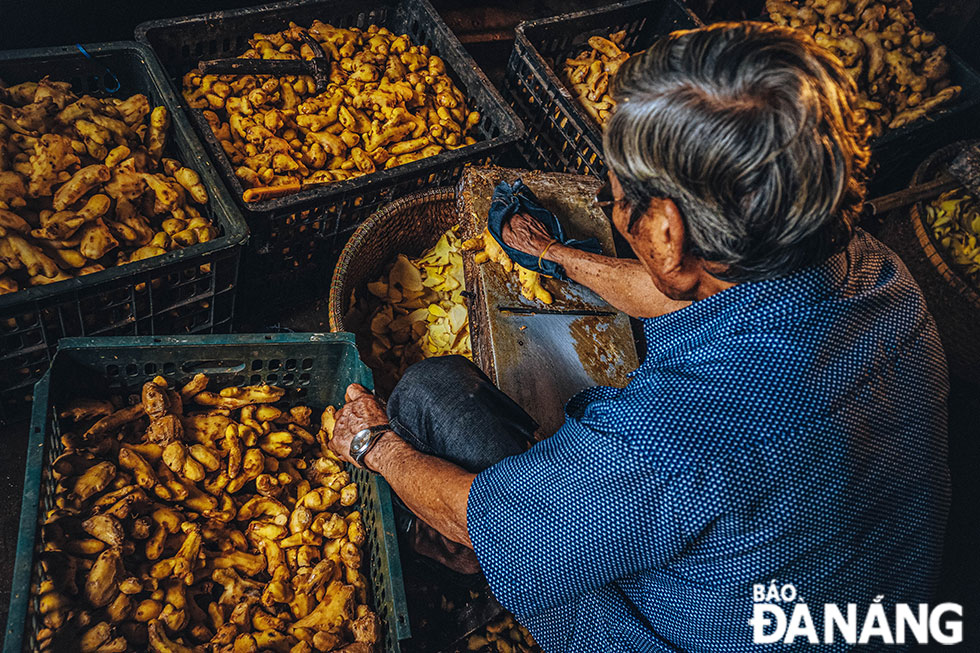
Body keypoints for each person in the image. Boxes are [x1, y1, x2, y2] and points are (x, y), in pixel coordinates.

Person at [328, 21, 951, 652]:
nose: (615, 213)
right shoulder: (879, 274)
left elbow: (476, 516)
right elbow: (688, 285)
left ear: (668, 233)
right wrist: (557, 257)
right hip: (878, 612)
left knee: (432, 397)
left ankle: (484, 592)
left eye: (618, 200)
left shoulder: (676, 435)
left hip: (682, 632)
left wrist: (373, 444)